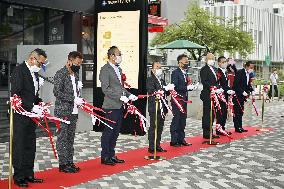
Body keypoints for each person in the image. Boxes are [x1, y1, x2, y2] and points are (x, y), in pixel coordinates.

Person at [11, 48, 47, 187]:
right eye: (41, 63)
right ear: (32, 58)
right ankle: (19, 176)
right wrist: (31, 106)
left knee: (30, 145)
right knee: (19, 145)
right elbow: (16, 94)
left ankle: (29, 173)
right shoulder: (19, 71)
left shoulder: (34, 73)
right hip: (20, 115)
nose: (41, 66)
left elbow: (32, 94)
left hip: (32, 116)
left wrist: (39, 102)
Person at [99, 46, 138, 165]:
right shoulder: (105, 69)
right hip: (110, 106)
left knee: (116, 132)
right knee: (109, 132)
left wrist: (129, 94)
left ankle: (112, 154)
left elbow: (120, 88)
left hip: (119, 105)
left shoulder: (118, 69)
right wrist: (119, 97)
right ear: (111, 56)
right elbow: (105, 89)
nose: (120, 56)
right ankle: (105, 157)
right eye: (118, 54)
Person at [53, 51, 84, 173]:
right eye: (77, 63)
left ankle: (70, 162)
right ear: (70, 61)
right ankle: (63, 164)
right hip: (63, 112)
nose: (78, 66)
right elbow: (57, 92)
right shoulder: (61, 73)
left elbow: (75, 93)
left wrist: (79, 98)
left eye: (80, 64)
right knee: (62, 138)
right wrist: (73, 99)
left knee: (70, 138)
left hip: (74, 111)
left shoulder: (75, 75)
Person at [146, 61, 173, 153]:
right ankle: (151, 146)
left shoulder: (161, 80)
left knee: (160, 127)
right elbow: (151, 91)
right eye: (157, 67)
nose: (159, 69)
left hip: (163, 106)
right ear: (152, 69)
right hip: (155, 106)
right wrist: (161, 90)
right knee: (154, 126)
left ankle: (157, 145)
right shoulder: (150, 79)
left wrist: (169, 88)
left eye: (160, 67)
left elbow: (166, 93)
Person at [170, 54, 196, 147]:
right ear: (179, 62)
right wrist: (186, 87)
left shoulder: (184, 73)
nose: (187, 63)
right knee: (176, 119)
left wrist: (191, 87)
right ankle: (174, 140)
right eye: (185, 61)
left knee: (183, 120)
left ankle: (181, 139)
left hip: (184, 99)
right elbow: (175, 86)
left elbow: (185, 86)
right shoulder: (175, 73)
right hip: (177, 100)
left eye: (187, 61)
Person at [200, 53, 221, 139]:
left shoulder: (215, 69)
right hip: (207, 94)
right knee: (207, 114)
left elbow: (217, 81)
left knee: (212, 114)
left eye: (213, 58)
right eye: (209, 58)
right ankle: (206, 132)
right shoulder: (204, 69)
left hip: (214, 94)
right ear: (206, 60)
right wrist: (212, 88)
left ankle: (211, 131)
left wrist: (218, 88)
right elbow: (204, 81)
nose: (211, 60)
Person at [233, 61, 255, 133]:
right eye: (251, 67)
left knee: (241, 111)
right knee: (237, 112)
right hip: (237, 95)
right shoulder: (240, 72)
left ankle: (240, 126)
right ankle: (237, 127)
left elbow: (247, 85)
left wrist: (251, 90)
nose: (252, 69)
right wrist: (242, 92)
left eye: (252, 68)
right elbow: (236, 85)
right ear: (247, 66)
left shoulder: (248, 74)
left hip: (243, 96)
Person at [216, 56, 234, 135]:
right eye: (223, 62)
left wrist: (230, 90)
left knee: (224, 112)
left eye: (225, 62)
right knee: (220, 113)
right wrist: (226, 90)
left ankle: (223, 128)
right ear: (219, 63)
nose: (225, 63)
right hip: (220, 95)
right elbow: (218, 84)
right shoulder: (218, 72)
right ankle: (219, 129)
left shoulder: (224, 71)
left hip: (225, 95)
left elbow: (225, 84)